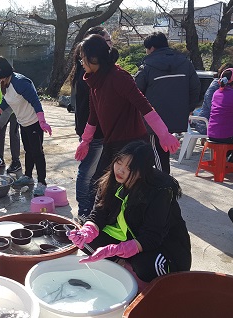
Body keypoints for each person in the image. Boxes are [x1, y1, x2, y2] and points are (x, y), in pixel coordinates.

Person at [74, 35, 179, 213]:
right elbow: (94, 116)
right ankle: (99, 222)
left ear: (93, 58)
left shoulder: (118, 77)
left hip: (132, 144)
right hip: (112, 142)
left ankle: (148, 220)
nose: (80, 62)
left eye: (82, 57)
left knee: (130, 188)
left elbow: (144, 106)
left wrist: (163, 133)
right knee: (103, 185)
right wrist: (85, 141)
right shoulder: (94, 81)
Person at [68, 140, 192, 284]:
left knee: (145, 266)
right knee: (85, 241)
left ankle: (143, 281)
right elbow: (98, 213)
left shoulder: (160, 192)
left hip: (163, 247)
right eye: (119, 163)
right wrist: (87, 231)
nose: (120, 170)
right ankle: (123, 264)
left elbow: (152, 237)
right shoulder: (110, 181)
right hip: (128, 237)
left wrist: (116, 249)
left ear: (143, 172)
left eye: (129, 168)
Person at [0, 56, 53, 196]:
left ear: (1, 72)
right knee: (28, 151)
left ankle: (42, 182)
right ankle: (28, 177)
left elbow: (36, 102)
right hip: (23, 122)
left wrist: (42, 121)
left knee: (37, 153)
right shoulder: (5, 83)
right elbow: (4, 105)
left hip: (34, 123)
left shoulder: (20, 82)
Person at [135, 32, 200, 174]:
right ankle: (160, 183)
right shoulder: (185, 63)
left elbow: (136, 92)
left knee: (157, 153)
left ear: (151, 48)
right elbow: (195, 88)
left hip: (153, 119)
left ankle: (163, 186)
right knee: (162, 151)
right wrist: (188, 109)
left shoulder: (147, 66)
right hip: (177, 116)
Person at [69, 26, 112, 222]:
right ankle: (84, 211)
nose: (111, 46)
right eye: (107, 42)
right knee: (87, 171)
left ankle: (90, 208)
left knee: (95, 172)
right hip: (92, 131)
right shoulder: (88, 74)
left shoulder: (86, 70)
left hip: (93, 130)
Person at [191, 63, 233, 135]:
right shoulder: (215, 87)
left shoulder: (225, 88)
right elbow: (213, 107)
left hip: (209, 124)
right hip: (206, 125)